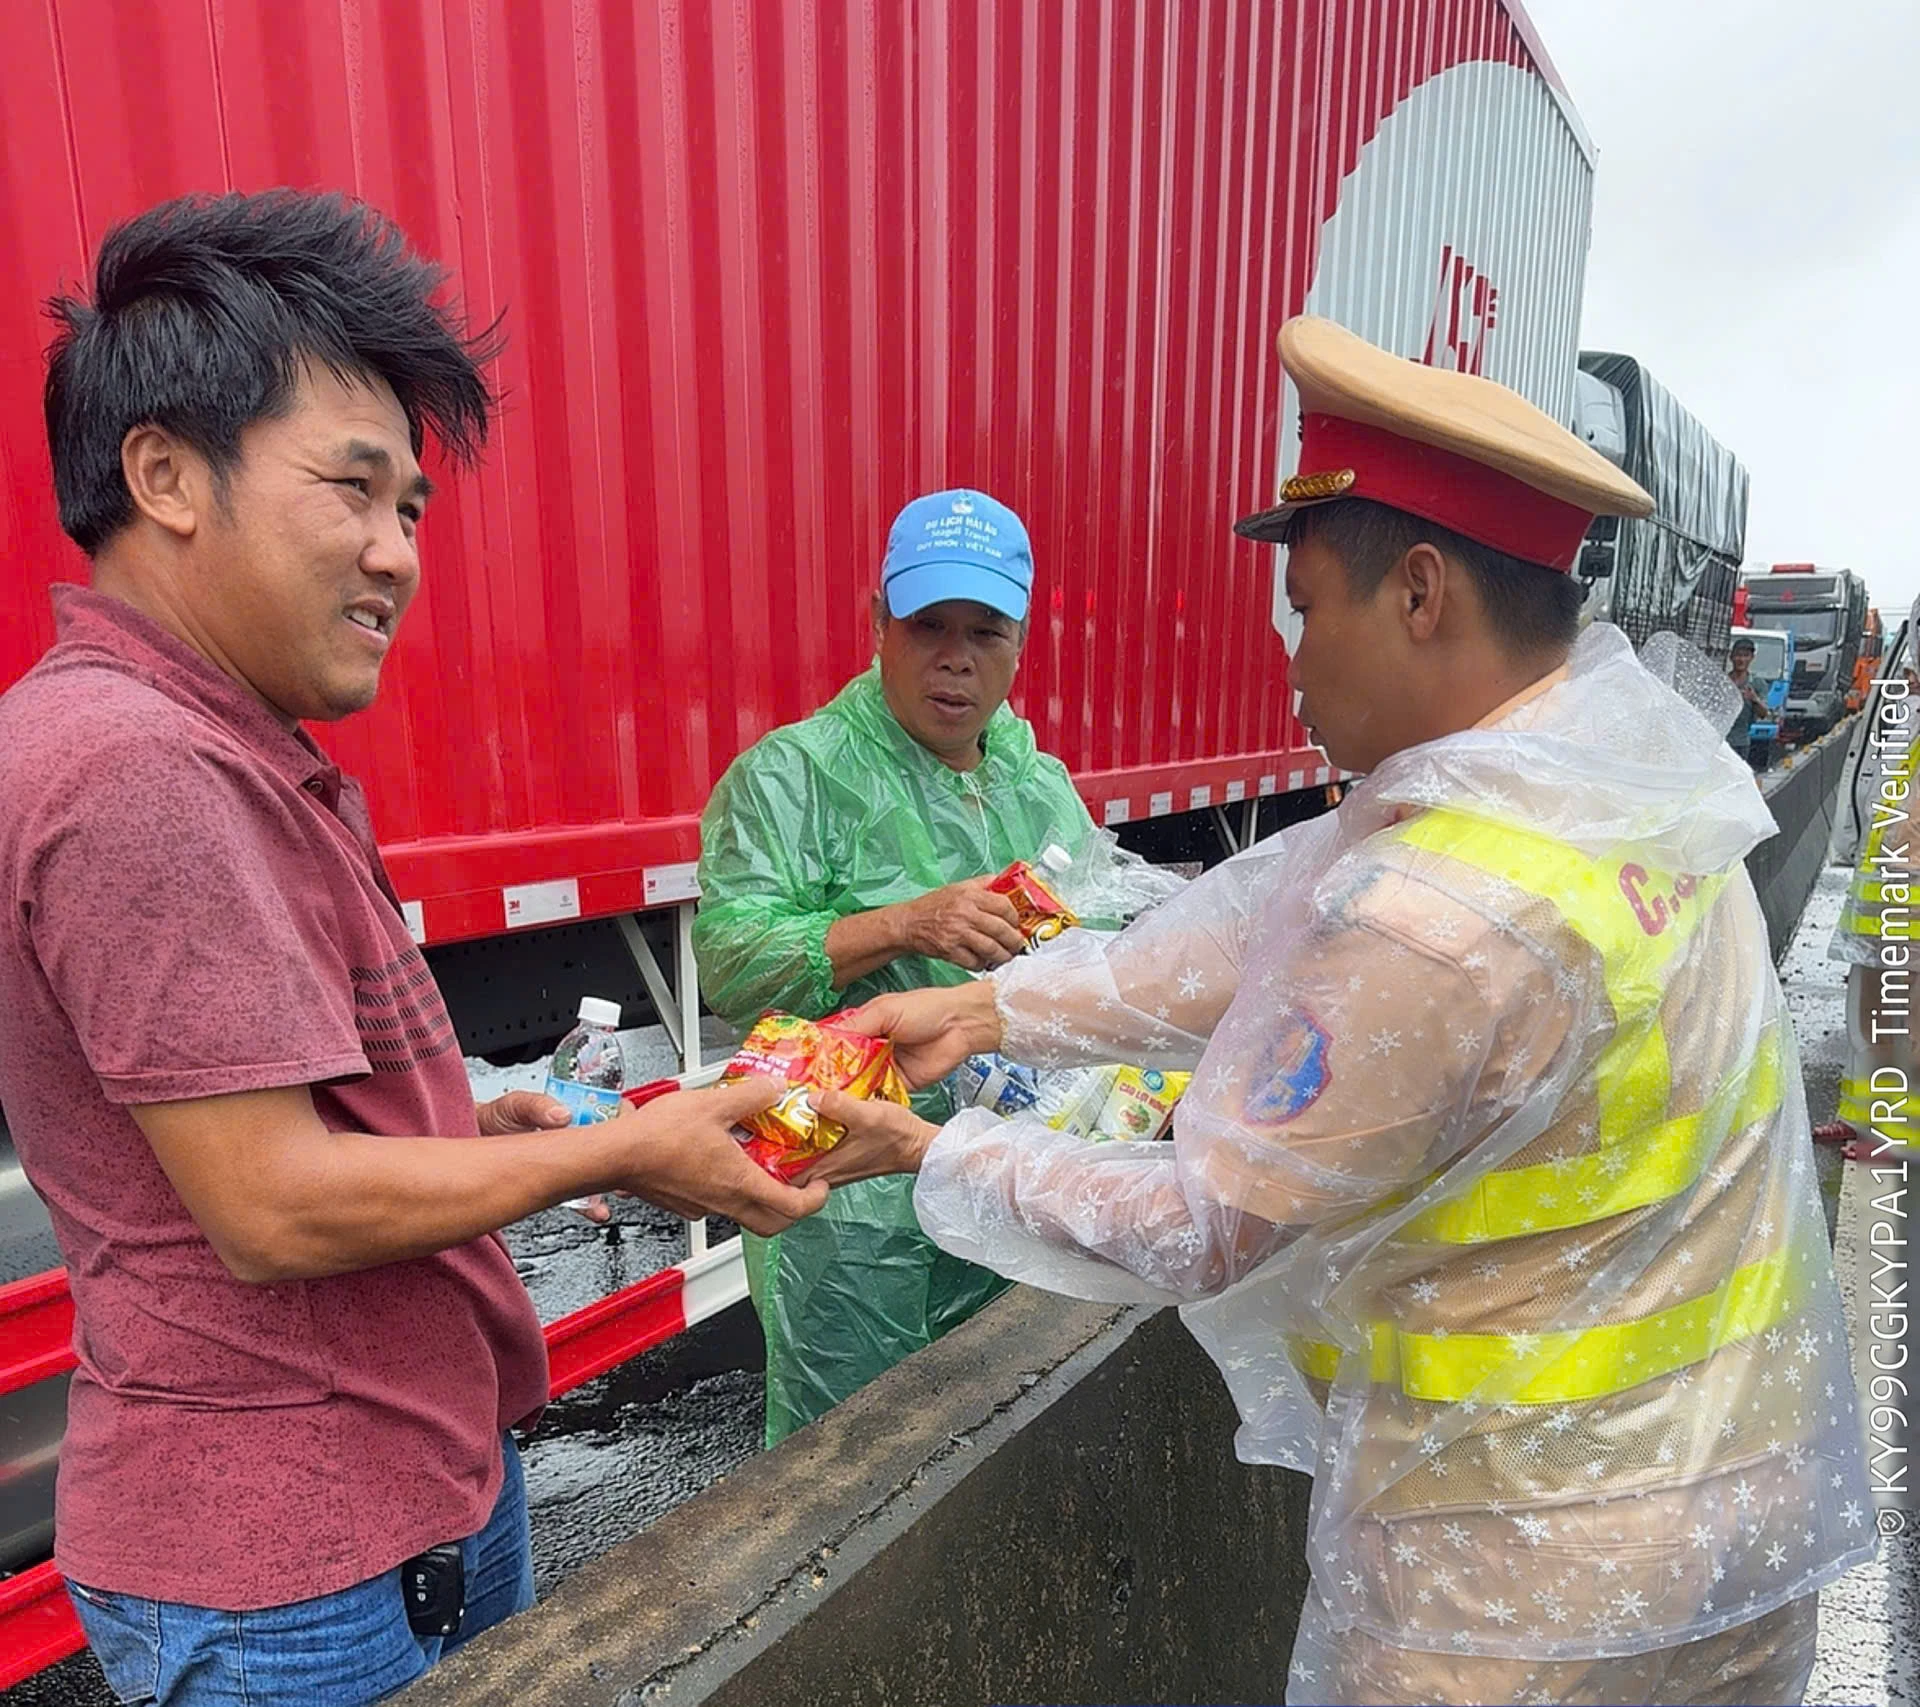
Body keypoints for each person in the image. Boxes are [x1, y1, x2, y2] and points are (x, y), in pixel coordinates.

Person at [808, 320, 1875, 1704]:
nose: (1294, 659)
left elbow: (1198, 1220)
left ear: (1421, 592)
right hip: (1732, 1535)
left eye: (1308, 607)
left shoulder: (1442, 908)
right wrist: (990, 1006)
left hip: (1513, 1590)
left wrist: (924, 1153)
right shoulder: (1624, 787)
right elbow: (1257, 921)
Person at [0, 190, 824, 1707]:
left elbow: (284, 1124)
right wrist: (620, 1156)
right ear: (166, 474)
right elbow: (271, 1204)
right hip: (290, 1574)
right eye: (354, 489)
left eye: (413, 513)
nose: (397, 554)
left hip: (393, 1503)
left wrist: (459, 1120)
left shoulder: (224, 741)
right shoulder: (137, 765)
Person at [692, 488, 1096, 1444]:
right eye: (928, 625)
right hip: (848, 1201)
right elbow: (734, 964)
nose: (954, 657)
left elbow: (1106, 943)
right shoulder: (795, 775)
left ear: (1020, 643)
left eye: (984, 632)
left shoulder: (1039, 786)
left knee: (989, 1434)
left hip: (999, 1167)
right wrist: (902, 923)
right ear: (878, 621)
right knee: (846, 1460)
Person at [1820, 627, 1919, 1162]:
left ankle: (1900, 1139)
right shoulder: (1908, 718)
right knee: (1870, 1008)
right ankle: (1862, 1118)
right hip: (1884, 901)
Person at [1727, 636, 1772, 768]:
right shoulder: (1724, 681)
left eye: (1746, 656)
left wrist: (1754, 699)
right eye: (1738, 655)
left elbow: (1764, 713)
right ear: (1731, 657)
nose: (1741, 660)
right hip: (1721, 741)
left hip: (1741, 741)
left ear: (1751, 658)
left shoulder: (1757, 683)